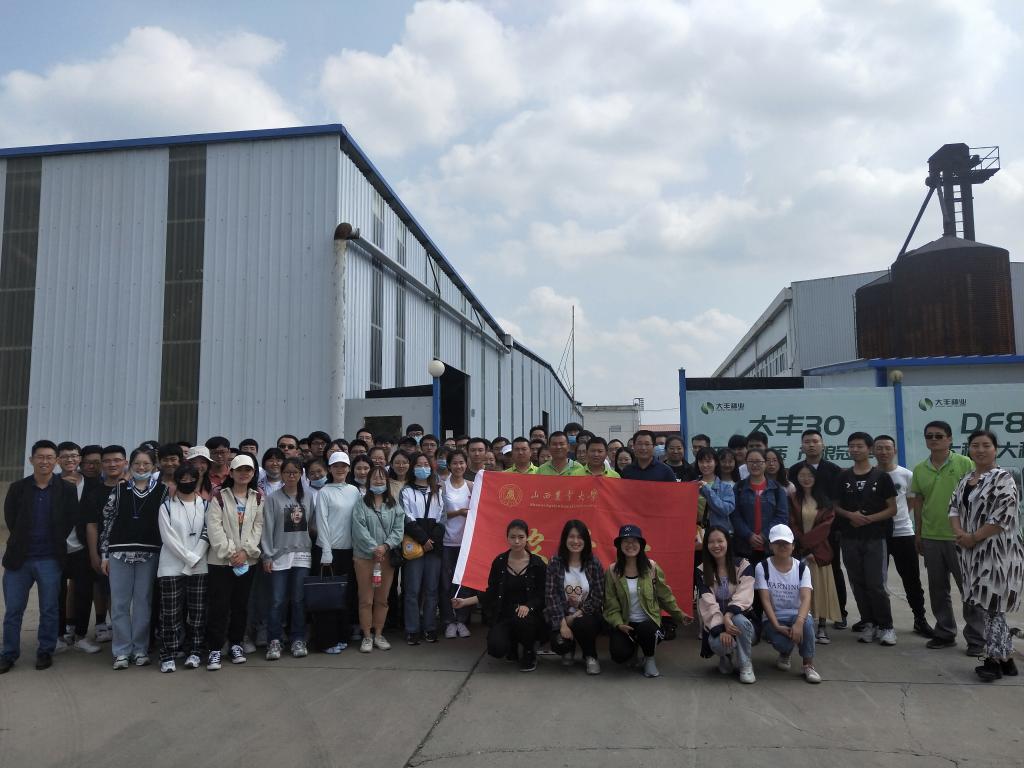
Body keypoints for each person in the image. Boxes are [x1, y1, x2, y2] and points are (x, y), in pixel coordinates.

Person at [948, 430, 1023, 681]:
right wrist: (960, 533)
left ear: (995, 449)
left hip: (998, 554)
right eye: (975, 445)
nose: (980, 450)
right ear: (968, 449)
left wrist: (974, 537)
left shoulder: (1003, 478)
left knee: (992, 607)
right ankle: (1007, 660)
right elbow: (953, 508)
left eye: (986, 445)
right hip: (971, 553)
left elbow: (1002, 517)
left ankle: (993, 661)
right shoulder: (966, 479)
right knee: (989, 607)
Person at [1, 440, 79, 673]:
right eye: (40, 457)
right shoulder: (18, 488)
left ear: (56, 461)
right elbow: (11, 518)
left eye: (49, 457)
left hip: (50, 559)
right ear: (31, 460)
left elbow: (69, 519)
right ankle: (8, 653)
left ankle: (45, 651)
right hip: (19, 560)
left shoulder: (67, 490)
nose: (45, 461)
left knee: (49, 608)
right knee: (13, 610)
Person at [910, 421, 984, 655]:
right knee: (938, 588)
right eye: (929, 436)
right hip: (931, 537)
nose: (934, 440)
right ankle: (944, 632)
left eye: (939, 436)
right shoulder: (920, 469)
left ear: (949, 439)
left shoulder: (965, 463)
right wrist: (919, 532)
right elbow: (919, 502)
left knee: (968, 588)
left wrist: (973, 534)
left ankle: (977, 638)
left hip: (961, 537)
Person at [100, 447, 167, 669]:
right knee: (119, 603)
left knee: (143, 603)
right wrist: (104, 555)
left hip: (149, 554)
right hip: (119, 553)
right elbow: (107, 522)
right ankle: (121, 651)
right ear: (130, 465)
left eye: (146, 464)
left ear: (154, 466)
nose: (141, 467)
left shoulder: (163, 491)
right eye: (137, 463)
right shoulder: (119, 490)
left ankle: (140, 649)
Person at [452, 519, 547, 672]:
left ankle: (529, 651)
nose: (517, 541)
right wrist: (464, 602)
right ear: (507, 538)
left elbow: (542, 594)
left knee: (522, 619)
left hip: (529, 617)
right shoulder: (499, 562)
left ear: (527, 538)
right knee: (496, 648)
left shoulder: (537, 563)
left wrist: (529, 606)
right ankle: (512, 645)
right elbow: (491, 592)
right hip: (505, 614)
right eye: (513, 537)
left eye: (521, 537)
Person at [835, 432, 898, 646]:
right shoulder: (843, 477)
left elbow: (892, 509)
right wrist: (850, 515)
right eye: (851, 446)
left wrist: (868, 519)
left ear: (869, 449)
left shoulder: (881, 477)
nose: (855, 449)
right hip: (849, 538)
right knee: (857, 583)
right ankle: (869, 623)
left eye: (859, 446)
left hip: (875, 538)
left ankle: (886, 626)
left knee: (876, 584)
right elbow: (835, 506)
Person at [603, 524, 686, 678]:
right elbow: (610, 603)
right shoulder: (612, 571)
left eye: (634, 541)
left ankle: (649, 658)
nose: (630, 545)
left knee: (646, 629)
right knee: (619, 655)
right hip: (626, 623)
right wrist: (618, 623)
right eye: (626, 541)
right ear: (619, 545)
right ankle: (633, 649)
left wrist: (679, 614)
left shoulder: (651, 568)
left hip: (648, 623)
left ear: (641, 545)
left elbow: (664, 595)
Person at [205, 454, 262, 670]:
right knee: (219, 606)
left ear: (253, 473)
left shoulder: (258, 498)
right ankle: (215, 648)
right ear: (231, 472)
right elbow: (214, 527)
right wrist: (231, 553)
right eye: (239, 470)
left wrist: (246, 552)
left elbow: (258, 526)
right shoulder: (219, 496)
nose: (244, 474)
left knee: (240, 605)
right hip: (221, 561)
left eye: (248, 470)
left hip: (247, 561)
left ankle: (236, 644)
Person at [872, 435, 933, 638]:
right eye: (879, 448)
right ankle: (877, 622)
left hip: (903, 533)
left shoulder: (906, 475)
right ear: (873, 451)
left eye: (887, 448)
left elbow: (911, 503)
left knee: (911, 579)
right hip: (876, 535)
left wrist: (900, 518)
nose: (883, 452)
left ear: (895, 451)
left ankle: (920, 619)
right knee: (876, 581)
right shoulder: (870, 475)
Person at [787, 428, 847, 629]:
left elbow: (837, 502)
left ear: (823, 444)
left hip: (828, 532)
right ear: (801, 446)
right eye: (807, 441)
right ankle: (803, 613)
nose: (811, 445)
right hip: (800, 533)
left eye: (815, 441)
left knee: (833, 571)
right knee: (800, 574)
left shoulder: (834, 470)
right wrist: (801, 540)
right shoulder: (794, 469)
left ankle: (840, 613)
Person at [156, 464, 209, 672]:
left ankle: (195, 651)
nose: (187, 482)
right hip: (170, 566)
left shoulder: (206, 505)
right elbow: (168, 538)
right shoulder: (166, 507)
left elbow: (207, 533)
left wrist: (194, 559)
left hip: (200, 566)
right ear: (176, 481)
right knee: (170, 614)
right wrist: (189, 558)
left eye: (191, 479)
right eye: (183, 479)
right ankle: (167, 654)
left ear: (197, 480)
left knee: (197, 613)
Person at [755, 524, 821, 683]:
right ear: (770, 546)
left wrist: (799, 622)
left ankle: (808, 665)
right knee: (782, 643)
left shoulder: (802, 568)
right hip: (774, 617)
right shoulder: (762, 567)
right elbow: (765, 600)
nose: (782, 546)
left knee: (807, 624)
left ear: (793, 546)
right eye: (777, 543)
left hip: (797, 614)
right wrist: (776, 625)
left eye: (786, 543)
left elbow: (806, 598)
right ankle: (785, 652)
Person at [309, 452, 360, 654]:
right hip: (328, 552)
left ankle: (342, 636)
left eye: (343, 466)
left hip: (349, 551)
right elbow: (321, 522)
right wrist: (326, 551)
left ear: (349, 468)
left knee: (345, 597)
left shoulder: (354, 491)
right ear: (330, 469)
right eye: (336, 466)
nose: (340, 469)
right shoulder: (324, 492)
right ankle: (326, 641)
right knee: (327, 598)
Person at [262, 457, 312, 661]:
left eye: (295, 472)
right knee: (277, 600)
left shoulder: (308, 496)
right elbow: (267, 528)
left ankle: (298, 638)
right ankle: (274, 640)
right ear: (282, 474)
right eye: (287, 472)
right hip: (278, 555)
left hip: (302, 554)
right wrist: (267, 555)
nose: (291, 476)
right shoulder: (272, 498)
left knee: (299, 600)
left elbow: (312, 524)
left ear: (301, 474)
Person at [351, 466, 404, 652]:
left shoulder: (393, 504)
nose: (379, 481)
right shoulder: (361, 504)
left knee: (382, 599)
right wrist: (374, 547)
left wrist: (385, 546)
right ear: (369, 481)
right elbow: (359, 529)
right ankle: (367, 636)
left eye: (382, 478)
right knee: (366, 599)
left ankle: (379, 634)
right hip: (364, 558)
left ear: (387, 481)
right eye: (375, 478)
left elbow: (399, 529)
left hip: (386, 559)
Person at [56, 441, 101, 654]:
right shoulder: (52, 484)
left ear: (79, 459)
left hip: (82, 547)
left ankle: (81, 636)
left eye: (74, 456)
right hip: (56, 549)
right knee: (56, 593)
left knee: (84, 592)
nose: (70, 460)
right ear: (58, 460)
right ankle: (58, 636)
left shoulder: (92, 484)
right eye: (65, 456)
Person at [544, 520, 605, 674]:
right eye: (571, 537)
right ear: (565, 539)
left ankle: (590, 656)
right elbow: (551, 596)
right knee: (559, 644)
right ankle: (568, 649)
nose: (575, 541)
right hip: (562, 615)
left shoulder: (593, 563)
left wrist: (575, 615)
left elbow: (598, 596)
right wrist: (563, 623)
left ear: (586, 540)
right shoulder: (555, 562)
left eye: (580, 537)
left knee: (583, 623)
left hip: (586, 615)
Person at [696, 526, 756, 684]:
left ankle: (745, 664)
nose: (716, 545)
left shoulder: (743, 565)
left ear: (728, 542)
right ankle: (726, 655)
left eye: (720, 541)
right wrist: (722, 628)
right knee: (718, 644)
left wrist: (728, 616)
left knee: (740, 621)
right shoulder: (702, 570)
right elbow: (707, 603)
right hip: (716, 622)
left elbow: (744, 596)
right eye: (711, 542)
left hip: (742, 620)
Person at [790, 465, 841, 644]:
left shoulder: (825, 500)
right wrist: (803, 548)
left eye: (809, 475)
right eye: (802, 475)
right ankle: (804, 625)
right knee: (800, 591)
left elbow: (825, 527)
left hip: (819, 552)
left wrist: (810, 549)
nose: (806, 478)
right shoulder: (792, 499)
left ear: (816, 477)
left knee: (820, 589)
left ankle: (822, 627)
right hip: (798, 552)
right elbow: (792, 523)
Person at [401, 453, 446, 644]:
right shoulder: (406, 491)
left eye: (426, 464)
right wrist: (423, 539)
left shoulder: (438, 491)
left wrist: (431, 540)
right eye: (418, 464)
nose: (422, 467)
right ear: (413, 468)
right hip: (414, 545)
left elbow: (442, 518)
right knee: (412, 590)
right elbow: (406, 517)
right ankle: (412, 629)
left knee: (431, 589)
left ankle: (430, 627)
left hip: (434, 547)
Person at [730, 449, 788, 565]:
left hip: (770, 547)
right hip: (744, 547)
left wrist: (764, 535)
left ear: (765, 463)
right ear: (746, 463)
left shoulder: (777, 489)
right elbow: (735, 515)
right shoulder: (739, 487)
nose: (755, 465)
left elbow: (782, 517)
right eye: (751, 461)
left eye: (758, 461)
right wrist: (749, 535)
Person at [440, 450, 473, 639]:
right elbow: (439, 514)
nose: (458, 466)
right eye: (455, 463)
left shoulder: (471, 486)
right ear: (449, 465)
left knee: (463, 584)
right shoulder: (442, 486)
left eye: (461, 462)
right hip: (446, 542)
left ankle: (462, 620)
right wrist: (459, 512)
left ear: (466, 464)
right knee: (446, 584)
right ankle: (449, 621)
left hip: (465, 543)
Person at [694, 447, 736, 533]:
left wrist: (707, 490)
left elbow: (726, 510)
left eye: (708, 461)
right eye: (701, 461)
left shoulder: (726, 487)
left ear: (716, 462)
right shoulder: (692, 485)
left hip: (718, 532)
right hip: (695, 532)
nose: (705, 465)